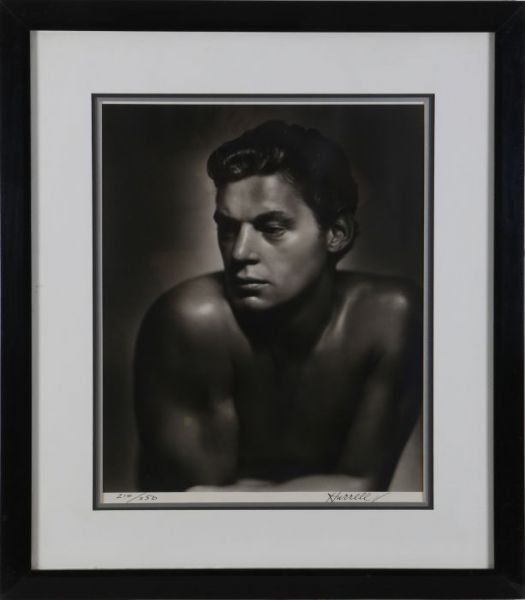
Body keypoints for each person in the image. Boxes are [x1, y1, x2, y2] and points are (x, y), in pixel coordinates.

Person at [134, 120, 422, 492]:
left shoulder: (392, 317)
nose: (240, 252)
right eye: (228, 229)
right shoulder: (190, 321)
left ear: (337, 234)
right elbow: (201, 507)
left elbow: (362, 489)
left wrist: (246, 494)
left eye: (272, 229)